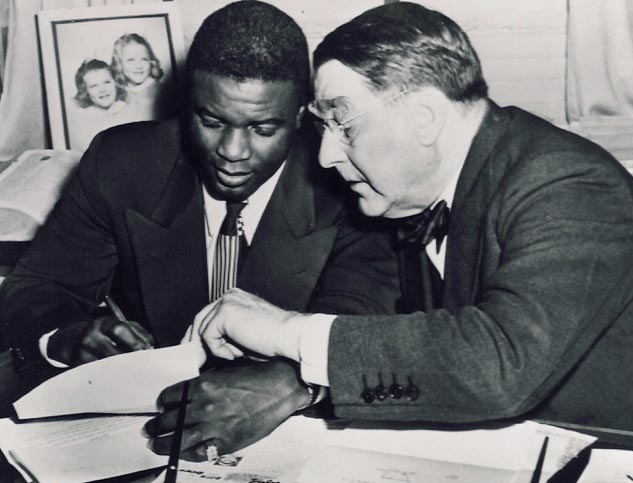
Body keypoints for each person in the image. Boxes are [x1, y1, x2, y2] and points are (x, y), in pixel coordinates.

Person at [195, 2, 633, 434]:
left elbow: (501, 364)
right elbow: (366, 296)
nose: (326, 156)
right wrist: (292, 377)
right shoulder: (408, 191)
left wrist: (285, 331)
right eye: (322, 126)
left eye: (344, 125)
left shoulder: (571, 185)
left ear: (425, 117)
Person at [0, 0, 400, 461]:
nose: (233, 151)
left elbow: (363, 315)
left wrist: (294, 382)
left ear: (300, 115)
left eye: (263, 128)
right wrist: (64, 336)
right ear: (186, 104)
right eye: (211, 121)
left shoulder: (350, 182)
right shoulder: (122, 163)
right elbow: (39, 286)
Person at [69, 59, 130, 151]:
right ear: (85, 91)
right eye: (94, 86)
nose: (102, 90)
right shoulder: (84, 120)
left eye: (107, 82)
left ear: (116, 83)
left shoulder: (129, 111)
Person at [111, 33, 167, 119]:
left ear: (151, 62)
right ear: (119, 64)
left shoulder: (161, 93)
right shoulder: (120, 93)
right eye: (131, 60)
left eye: (144, 59)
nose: (139, 66)